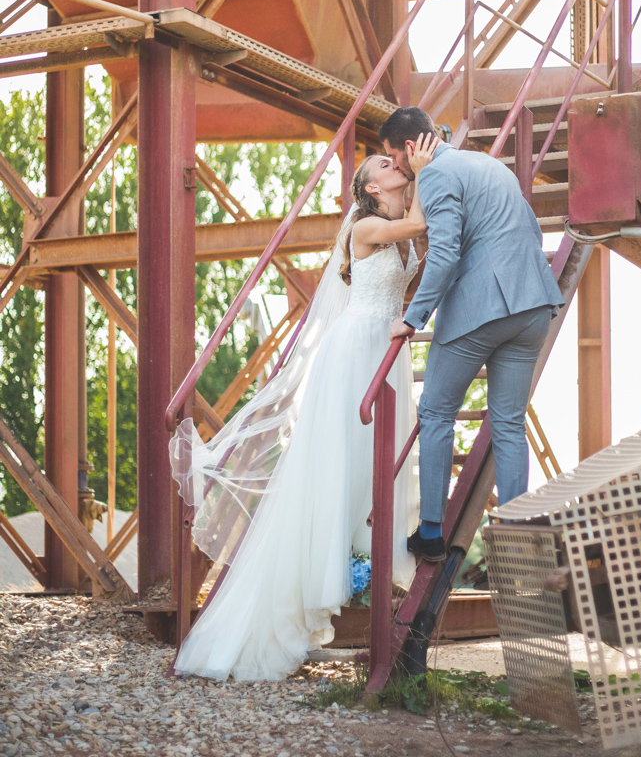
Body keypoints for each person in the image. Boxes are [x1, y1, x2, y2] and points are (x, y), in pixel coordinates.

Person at [168, 137, 437, 681]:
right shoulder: (364, 227)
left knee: (369, 472)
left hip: (383, 355)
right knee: (335, 472)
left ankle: (343, 581)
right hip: (354, 351)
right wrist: (428, 172)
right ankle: (286, 609)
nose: (398, 165)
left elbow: (423, 234)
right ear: (368, 187)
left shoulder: (399, 213)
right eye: (386, 164)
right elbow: (416, 228)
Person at [381, 106, 564, 563]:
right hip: (533, 305)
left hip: (482, 311)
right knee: (507, 421)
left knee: (437, 412)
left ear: (409, 148)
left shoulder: (438, 176)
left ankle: (430, 532)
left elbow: (443, 255)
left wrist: (414, 318)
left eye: (393, 158)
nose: (398, 169)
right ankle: (518, 529)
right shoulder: (485, 163)